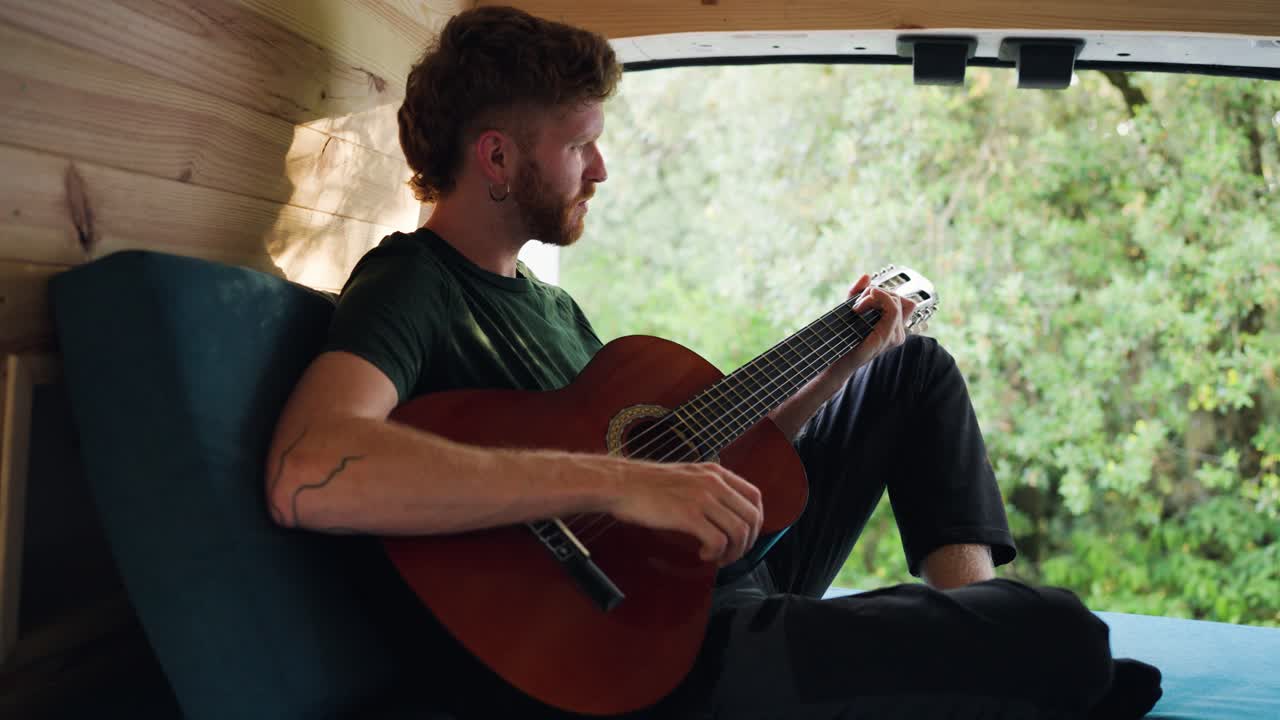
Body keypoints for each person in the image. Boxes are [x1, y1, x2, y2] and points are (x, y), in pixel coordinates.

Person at [265, 6, 1161, 719]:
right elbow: (309, 471)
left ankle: (978, 645)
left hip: (707, 569)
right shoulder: (413, 282)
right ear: (496, 156)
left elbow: (698, 467)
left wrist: (839, 368)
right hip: (653, 646)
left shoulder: (552, 307)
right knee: (1061, 631)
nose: (600, 169)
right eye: (578, 144)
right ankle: (999, 662)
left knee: (906, 368)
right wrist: (618, 483)